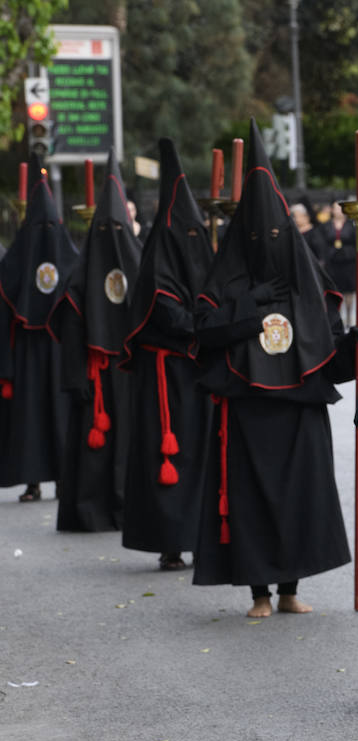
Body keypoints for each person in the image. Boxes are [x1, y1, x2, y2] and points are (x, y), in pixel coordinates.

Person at [192, 120, 356, 618]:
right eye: (259, 234)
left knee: (300, 496)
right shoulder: (227, 275)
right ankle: (259, 591)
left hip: (299, 404)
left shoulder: (308, 280)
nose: (269, 241)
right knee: (251, 498)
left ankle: (289, 589)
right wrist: (249, 309)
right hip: (248, 406)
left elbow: (330, 345)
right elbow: (205, 330)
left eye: (277, 233)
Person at [118, 138, 213, 571]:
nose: (194, 243)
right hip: (165, 382)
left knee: (203, 458)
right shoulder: (158, 269)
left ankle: (201, 535)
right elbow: (174, 317)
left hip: (198, 377)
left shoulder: (202, 262)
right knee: (167, 457)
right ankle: (169, 541)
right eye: (187, 235)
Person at [48, 150, 142, 532]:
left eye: (117, 231)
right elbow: (70, 328)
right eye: (104, 231)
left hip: (130, 374)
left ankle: (128, 509)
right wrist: (75, 378)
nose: (111, 239)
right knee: (94, 450)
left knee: (128, 449)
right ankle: (90, 511)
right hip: (95, 376)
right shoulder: (78, 278)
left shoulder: (140, 268)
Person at [0, 157, 76, 502]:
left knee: (60, 414)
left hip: (58, 348)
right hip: (29, 350)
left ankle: (63, 478)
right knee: (31, 417)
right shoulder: (14, 263)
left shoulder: (71, 262)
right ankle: (33, 481)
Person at [312, 201, 358, 327]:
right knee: (334, 289)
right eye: (335, 208)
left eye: (340, 208)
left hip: (348, 261)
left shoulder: (352, 225)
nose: (338, 211)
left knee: (349, 291)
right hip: (332, 261)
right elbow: (321, 243)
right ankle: (335, 316)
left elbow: (356, 242)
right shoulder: (326, 226)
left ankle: (349, 316)